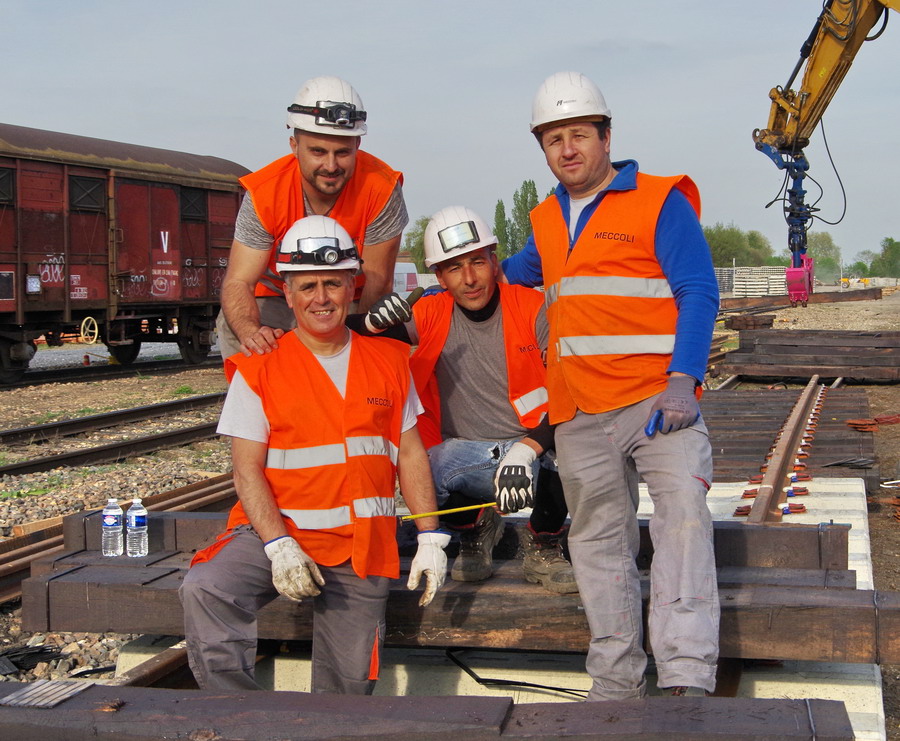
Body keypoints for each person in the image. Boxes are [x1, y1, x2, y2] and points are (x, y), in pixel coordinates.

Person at [502, 71, 720, 699]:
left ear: (605, 136)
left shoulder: (659, 201)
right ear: (543, 148)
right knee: (597, 541)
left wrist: (684, 379)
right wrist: (442, 284)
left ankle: (685, 676)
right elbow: (513, 274)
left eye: (578, 134)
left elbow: (698, 290)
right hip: (579, 412)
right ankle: (616, 681)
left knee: (682, 521)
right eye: (553, 139)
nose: (567, 149)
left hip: (657, 402)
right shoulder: (546, 218)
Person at [180, 215, 448, 694]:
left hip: (360, 547)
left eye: (332, 283)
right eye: (307, 286)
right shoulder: (260, 368)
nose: (321, 298)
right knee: (207, 588)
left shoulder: (389, 362)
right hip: (276, 533)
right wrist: (278, 545)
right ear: (288, 294)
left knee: (348, 688)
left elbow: (410, 454)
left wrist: (430, 536)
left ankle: (332, 725)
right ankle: (237, 716)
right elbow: (246, 471)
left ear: (350, 287)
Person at [359, 206, 576, 594]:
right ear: (439, 277)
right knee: (426, 466)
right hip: (465, 458)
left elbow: (569, 392)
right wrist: (369, 324)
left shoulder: (533, 309)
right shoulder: (430, 313)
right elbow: (341, 336)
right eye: (454, 268)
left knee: (579, 452)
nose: (470, 278)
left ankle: (543, 543)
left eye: (477, 261)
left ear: (494, 261)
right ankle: (476, 529)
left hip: (535, 449)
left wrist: (527, 450)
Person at [216, 75, 408, 360]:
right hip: (277, 299)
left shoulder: (381, 189)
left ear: (357, 144)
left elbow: (377, 282)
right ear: (294, 145)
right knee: (233, 324)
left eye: (342, 152)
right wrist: (251, 332)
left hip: (347, 300)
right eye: (318, 151)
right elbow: (238, 281)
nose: (330, 166)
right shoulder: (264, 193)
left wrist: (356, 343)